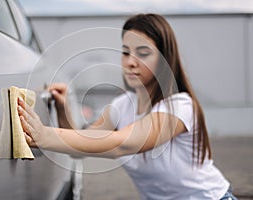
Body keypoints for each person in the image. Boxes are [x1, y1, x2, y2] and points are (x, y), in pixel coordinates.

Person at [17, 13, 238, 200]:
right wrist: (63, 109)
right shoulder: (121, 106)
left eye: (143, 53)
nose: (130, 61)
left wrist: (44, 135)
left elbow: (123, 145)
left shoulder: (180, 107)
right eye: (125, 52)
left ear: (164, 59)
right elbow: (81, 144)